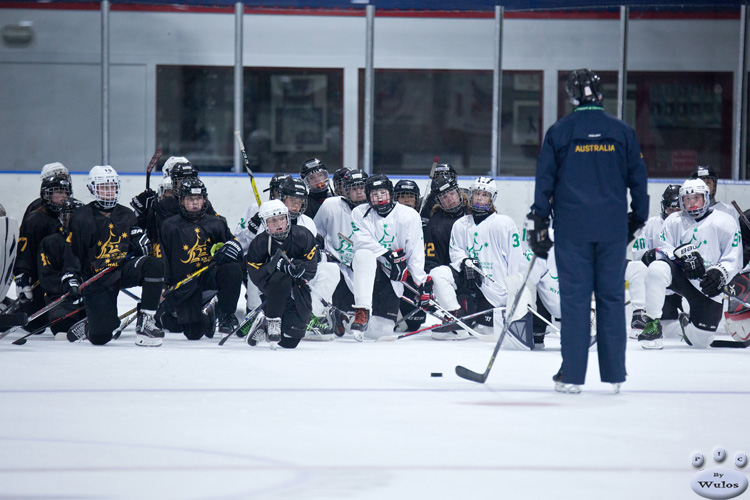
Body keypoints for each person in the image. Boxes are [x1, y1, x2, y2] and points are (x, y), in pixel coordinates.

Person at [527, 68, 649, 394]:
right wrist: (637, 218)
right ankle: (614, 376)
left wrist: (539, 222)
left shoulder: (560, 131)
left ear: (570, 96)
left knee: (576, 301)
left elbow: (544, 182)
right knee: (610, 298)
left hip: (572, 229)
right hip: (612, 229)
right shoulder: (621, 132)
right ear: (600, 94)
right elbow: (638, 179)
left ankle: (573, 376)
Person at [65, 165, 166, 346]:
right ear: (92, 189)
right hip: (97, 277)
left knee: (154, 264)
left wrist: (141, 243)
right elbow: (73, 252)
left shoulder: (126, 214)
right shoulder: (81, 217)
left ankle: (146, 321)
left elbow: (135, 243)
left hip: (121, 269)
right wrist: (71, 277)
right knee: (101, 337)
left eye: (112, 187)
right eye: (104, 187)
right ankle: (91, 324)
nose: (109, 192)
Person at [638, 178, 742, 349]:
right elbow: (663, 248)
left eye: (696, 198)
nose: (692, 203)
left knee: (701, 341)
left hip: (707, 283)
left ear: (706, 198)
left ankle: (686, 325)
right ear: (682, 201)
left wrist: (721, 272)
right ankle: (652, 323)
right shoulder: (674, 221)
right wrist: (680, 255)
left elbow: (734, 256)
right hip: (681, 276)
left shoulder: (725, 221)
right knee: (657, 268)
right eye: (687, 199)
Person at [429, 177, 528, 341]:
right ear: (471, 195)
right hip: (469, 281)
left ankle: (477, 318)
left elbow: (516, 261)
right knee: (437, 273)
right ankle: (455, 317)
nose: (480, 198)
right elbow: (456, 252)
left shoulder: (504, 223)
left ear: (492, 198)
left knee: (486, 331)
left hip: (495, 290)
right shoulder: (461, 224)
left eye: (485, 195)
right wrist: (465, 262)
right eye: (477, 194)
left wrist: (513, 295)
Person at [157, 178, 243, 340]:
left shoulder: (217, 223)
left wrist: (232, 250)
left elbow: (233, 248)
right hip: (185, 284)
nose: (195, 203)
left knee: (232, 268)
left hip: (209, 276)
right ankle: (210, 312)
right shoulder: (170, 226)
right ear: (181, 201)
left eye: (198, 198)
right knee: (193, 333)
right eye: (190, 199)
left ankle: (226, 314)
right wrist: (164, 284)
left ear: (205, 200)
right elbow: (164, 257)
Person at [349, 174, 431, 339]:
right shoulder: (359, 213)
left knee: (380, 332)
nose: (379, 198)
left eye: (383, 193)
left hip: (394, 276)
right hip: (368, 273)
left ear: (391, 193)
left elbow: (415, 250)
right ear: (368, 196)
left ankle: (374, 317)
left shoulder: (408, 215)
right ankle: (362, 310)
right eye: (374, 194)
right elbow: (361, 242)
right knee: (363, 254)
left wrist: (421, 281)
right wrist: (388, 255)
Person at [246, 200, 319, 349]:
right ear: (265, 223)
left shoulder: (303, 235)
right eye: (273, 220)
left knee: (289, 343)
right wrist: (276, 266)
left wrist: (299, 267)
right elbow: (256, 275)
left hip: (298, 289)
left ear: (287, 218)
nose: (279, 224)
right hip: (272, 291)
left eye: (281, 219)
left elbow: (311, 267)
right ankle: (272, 320)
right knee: (281, 277)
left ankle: (263, 322)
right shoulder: (259, 243)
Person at [14, 173, 73, 332]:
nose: (62, 196)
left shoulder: (72, 215)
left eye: (65, 192)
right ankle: (14, 309)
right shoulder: (36, 220)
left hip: (63, 275)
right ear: (47, 194)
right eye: (57, 192)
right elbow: (25, 250)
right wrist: (23, 276)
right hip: (40, 278)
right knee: (36, 325)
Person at [628, 184, 682, 337]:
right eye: (671, 209)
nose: (674, 215)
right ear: (664, 207)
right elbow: (638, 255)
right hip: (656, 285)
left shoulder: (689, 225)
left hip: (680, 284)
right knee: (637, 267)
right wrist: (649, 256)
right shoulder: (651, 224)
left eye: (678, 210)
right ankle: (639, 314)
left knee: (674, 330)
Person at [37, 199, 86, 338]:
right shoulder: (51, 242)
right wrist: (69, 287)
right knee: (62, 327)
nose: (73, 221)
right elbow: (47, 277)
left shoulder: (90, 241)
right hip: (62, 299)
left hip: (88, 298)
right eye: (68, 216)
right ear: (61, 218)